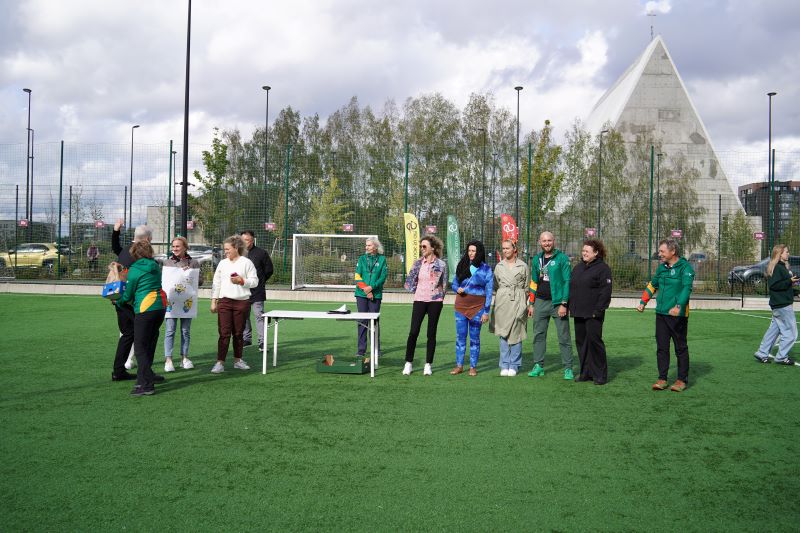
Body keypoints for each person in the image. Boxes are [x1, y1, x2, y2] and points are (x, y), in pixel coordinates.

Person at [636, 238, 695, 392]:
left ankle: (681, 380)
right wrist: (643, 301)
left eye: (662, 251)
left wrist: (678, 306)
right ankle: (662, 379)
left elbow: (686, 289)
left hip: (678, 316)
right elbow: (652, 285)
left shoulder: (685, 268)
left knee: (680, 348)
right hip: (661, 314)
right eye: (659, 251)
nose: (659, 254)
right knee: (662, 348)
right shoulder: (662, 268)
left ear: (673, 251)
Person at [118, 240, 167, 396]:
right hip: (160, 306)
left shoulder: (134, 269)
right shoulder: (155, 266)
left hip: (146, 308)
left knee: (140, 347)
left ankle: (146, 385)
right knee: (149, 344)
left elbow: (128, 294)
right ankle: (145, 376)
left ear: (134, 254)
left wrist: (118, 301)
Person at [110, 220, 154, 381]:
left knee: (128, 334)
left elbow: (115, 247)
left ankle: (118, 370)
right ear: (147, 239)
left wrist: (116, 231)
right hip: (132, 301)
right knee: (144, 334)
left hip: (118, 298)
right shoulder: (139, 253)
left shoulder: (124, 251)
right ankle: (145, 371)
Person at [529, 231, 574, 380]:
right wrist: (531, 303)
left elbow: (567, 281)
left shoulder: (562, 258)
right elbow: (534, 282)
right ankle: (538, 366)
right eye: (544, 241)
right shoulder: (537, 259)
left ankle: (568, 368)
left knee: (564, 336)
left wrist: (564, 303)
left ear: (554, 241)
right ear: (540, 242)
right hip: (540, 302)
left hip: (558, 303)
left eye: (549, 240)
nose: (547, 243)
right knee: (538, 335)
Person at [210, 235, 259, 373]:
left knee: (238, 333)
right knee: (224, 333)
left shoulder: (247, 263)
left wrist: (242, 281)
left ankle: (238, 360)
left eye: (227, 249)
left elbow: (255, 281)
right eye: (224, 249)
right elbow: (216, 283)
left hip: (242, 302)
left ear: (236, 248)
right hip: (224, 302)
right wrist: (214, 301)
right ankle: (220, 363)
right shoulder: (222, 263)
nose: (225, 252)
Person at [569, 239, 612, 385]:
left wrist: (598, 310)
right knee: (581, 343)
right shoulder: (578, 268)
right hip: (578, 312)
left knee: (595, 342)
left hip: (593, 313)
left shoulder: (603, 269)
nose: (584, 253)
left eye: (587, 251)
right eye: (583, 251)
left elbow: (605, 292)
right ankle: (585, 373)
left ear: (596, 253)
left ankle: (600, 375)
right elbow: (573, 287)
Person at [403, 235, 447, 376]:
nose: (422, 249)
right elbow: (410, 280)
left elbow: (444, 284)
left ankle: (428, 364)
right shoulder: (417, 263)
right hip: (419, 300)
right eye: (421, 246)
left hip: (435, 302)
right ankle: (408, 363)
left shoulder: (441, 264)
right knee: (413, 332)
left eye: (424, 246)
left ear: (432, 248)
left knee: (431, 334)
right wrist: (415, 290)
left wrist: (439, 298)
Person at [450, 240, 493, 376]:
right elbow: (454, 284)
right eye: (469, 250)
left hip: (478, 308)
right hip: (461, 307)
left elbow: (489, 291)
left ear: (479, 252)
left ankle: (473, 367)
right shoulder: (462, 265)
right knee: (460, 337)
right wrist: (457, 289)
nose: (471, 253)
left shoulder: (486, 269)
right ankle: (459, 366)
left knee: (475, 338)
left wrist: (486, 312)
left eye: (474, 251)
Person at [489, 239, 531, 376]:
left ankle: (514, 365)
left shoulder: (523, 266)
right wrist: (503, 294)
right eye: (503, 248)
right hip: (502, 301)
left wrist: (523, 301)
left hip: (518, 299)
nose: (505, 250)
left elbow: (527, 286)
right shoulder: (499, 266)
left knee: (516, 332)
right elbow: (496, 285)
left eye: (507, 248)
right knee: (503, 332)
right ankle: (504, 364)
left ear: (514, 249)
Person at [754, 244, 798, 365]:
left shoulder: (781, 267)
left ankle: (762, 353)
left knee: (774, 331)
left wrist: (796, 292)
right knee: (791, 333)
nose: (788, 254)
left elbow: (783, 287)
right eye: (786, 252)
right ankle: (781, 357)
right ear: (779, 254)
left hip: (779, 305)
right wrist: (789, 281)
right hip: (782, 305)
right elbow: (774, 286)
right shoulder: (778, 268)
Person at [162, 236, 200, 372]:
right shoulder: (167, 263)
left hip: (187, 302)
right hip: (171, 302)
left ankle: (184, 358)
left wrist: (190, 274)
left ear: (185, 247)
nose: (175, 249)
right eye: (173, 246)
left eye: (178, 246)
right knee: (170, 331)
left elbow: (199, 282)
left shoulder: (194, 263)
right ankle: (168, 360)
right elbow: (164, 281)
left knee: (185, 331)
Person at [354, 236, 388, 358]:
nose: (366, 247)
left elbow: (383, 277)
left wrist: (372, 288)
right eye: (366, 245)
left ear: (375, 246)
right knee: (362, 321)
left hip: (376, 294)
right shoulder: (362, 259)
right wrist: (366, 290)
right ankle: (361, 350)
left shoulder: (382, 259)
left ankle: (376, 349)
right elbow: (357, 276)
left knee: (374, 322)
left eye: (369, 245)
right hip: (361, 294)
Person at [241, 230, 274, 350]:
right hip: (242, 291)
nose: (244, 242)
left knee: (259, 316)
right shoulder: (238, 253)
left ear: (252, 240)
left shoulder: (261, 253)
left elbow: (269, 270)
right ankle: (246, 339)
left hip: (257, 291)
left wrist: (260, 281)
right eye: (242, 240)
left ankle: (262, 342)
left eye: (247, 240)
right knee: (244, 316)